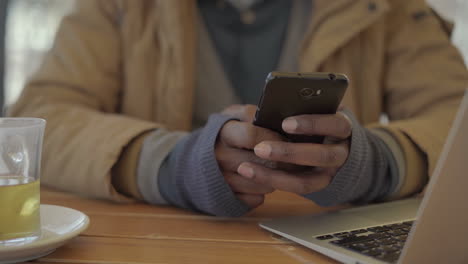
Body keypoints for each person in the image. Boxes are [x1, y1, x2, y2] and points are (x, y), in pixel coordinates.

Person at [10, 0, 468, 216]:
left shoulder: (389, 7)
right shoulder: (114, 7)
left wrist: (375, 162)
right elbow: (40, 117)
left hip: (327, 240)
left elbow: (456, 113)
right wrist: (174, 166)